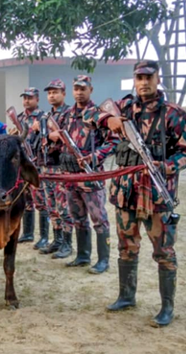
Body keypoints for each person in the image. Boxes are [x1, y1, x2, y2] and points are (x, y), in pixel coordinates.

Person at [89, 60, 186, 327]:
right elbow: (91, 116)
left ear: (157, 78)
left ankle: (166, 308)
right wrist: (109, 119)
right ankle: (126, 296)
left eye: (148, 77)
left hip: (157, 195)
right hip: (125, 193)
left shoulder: (174, 114)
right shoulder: (125, 107)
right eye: (139, 77)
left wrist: (165, 166)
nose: (143, 82)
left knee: (164, 252)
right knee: (126, 247)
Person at [60, 75, 118, 274]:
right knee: (77, 217)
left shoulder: (98, 114)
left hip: (90, 176)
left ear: (91, 90)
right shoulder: (66, 115)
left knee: (98, 218)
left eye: (83, 88)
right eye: (76, 88)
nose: (79, 92)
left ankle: (103, 260)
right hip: (71, 176)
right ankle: (83, 255)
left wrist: (95, 156)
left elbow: (113, 140)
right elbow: (59, 139)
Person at [31, 79, 74, 258]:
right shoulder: (46, 117)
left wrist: (48, 135)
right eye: (49, 93)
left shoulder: (69, 115)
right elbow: (42, 140)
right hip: (45, 166)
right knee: (51, 206)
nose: (52, 95)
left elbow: (67, 138)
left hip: (60, 166)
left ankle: (67, 243)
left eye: (55, 92)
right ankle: (56, 240)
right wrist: (36, 131)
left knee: (64, 207)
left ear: (64, 94)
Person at [10, 87, 48, 245]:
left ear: (37, 99)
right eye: (24, 98)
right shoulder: (18, 118)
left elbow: (45, 138)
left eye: (30, 98)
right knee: (25, 199)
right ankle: (27, 232)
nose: (26, 101)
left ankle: (44, 237)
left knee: (40, 200)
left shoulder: (43, 117)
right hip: (23, 165)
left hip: (38, 163)